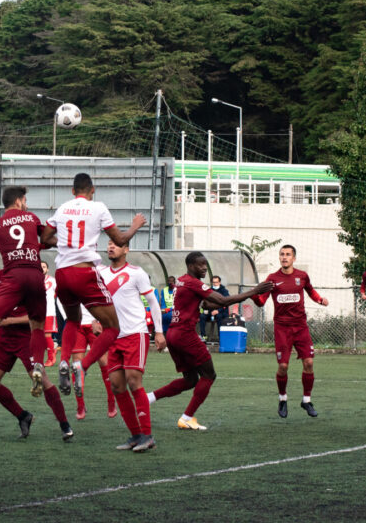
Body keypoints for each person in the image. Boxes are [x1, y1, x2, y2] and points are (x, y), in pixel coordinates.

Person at [40, 173, 146, 391]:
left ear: (72, 191)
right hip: (84, 272)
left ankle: (64, 360)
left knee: (72, 320)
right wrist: (135, 226)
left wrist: (63, 243)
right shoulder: (98, 208)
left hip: (62, 273)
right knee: (112, 327)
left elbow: (44, 238)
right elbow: (120, 239)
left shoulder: (62, 208)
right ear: (93, 189)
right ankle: (82, 366)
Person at [147, 252, 272, 430]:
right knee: (209, 375)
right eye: (201, 265)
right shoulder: (193, 282)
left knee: (190, 380)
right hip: (185, 334)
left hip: (174, 334)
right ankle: (187, 418)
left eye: (205, 264)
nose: (205, 268)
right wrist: (254, 291)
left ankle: (148, 398)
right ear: (190, 266)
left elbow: (207, 305)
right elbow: (222, 299)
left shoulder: (182, 281)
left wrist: (244, 296)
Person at [0, 251, 73, 442]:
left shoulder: (31, 280)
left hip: (27, 338)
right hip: (5, 340)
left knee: (41, 380)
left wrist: (8, 321)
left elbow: (37, 316)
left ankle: (65, 425)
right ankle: (23, 416)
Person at [97, 240, 166, 452]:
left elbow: (153, 302)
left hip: (135, 333)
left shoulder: (137, 273)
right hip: (113, 335)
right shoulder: (100, 273)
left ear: (126, 249)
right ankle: (136, 435)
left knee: (134, 381)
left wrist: (159, 330)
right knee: (117, 386)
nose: (111, 247)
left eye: (116, 245)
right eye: (108, 244)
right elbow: (97, 300)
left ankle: (148, 435)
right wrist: (95, 319)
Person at [0, 187, 49, 369]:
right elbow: (46, 240)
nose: (26, 204)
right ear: (18, 201)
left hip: (13, 276)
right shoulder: (31, 218)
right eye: (25, 200)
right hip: (35, 275)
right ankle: (38, 365)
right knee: (38, 325)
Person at [251, 245, 328, 418]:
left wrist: (319, 299)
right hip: (282, 328)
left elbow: (310, 291)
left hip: (301, 327)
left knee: (309, 363)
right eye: (282, 254)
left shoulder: (302, 276)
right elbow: (261, 302)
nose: (284, 257)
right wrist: (253, 294)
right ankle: (283, 399)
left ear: (294, 258)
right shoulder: (272, 279)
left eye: (288, 255)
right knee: (283, 366)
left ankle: (306, 401)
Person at [199, 275, 230, 341]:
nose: (215, 284)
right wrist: (206, 310)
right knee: (202, 316)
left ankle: (220, 338)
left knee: (219, 316)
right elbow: (206, 301)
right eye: (213, 282)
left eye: (216, 282)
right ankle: (203, 336)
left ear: (219, 282)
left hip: (221, 312)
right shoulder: (209, 291)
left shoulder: (224, 291)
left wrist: (218, 310)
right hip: (211, 311)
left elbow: (226, 303)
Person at [41, 261, 59, 366]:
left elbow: (58, 293)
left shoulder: (52, 280)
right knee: (39, 336)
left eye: (44, 267)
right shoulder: (34, 281)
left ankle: (50, 359)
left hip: (49, 312)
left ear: (47, 269)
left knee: (47, 335)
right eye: (40, 267)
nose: (42, 268)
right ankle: (52, 351)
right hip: (37, 313)